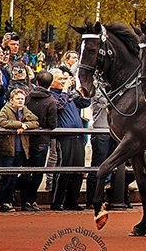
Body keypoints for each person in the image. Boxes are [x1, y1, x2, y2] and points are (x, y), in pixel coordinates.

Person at [49, 68, 89, 211]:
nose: (64, 82)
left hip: (78, 136)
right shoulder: (51, 95)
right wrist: (65, 90)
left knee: (78, 171)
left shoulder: (68, 94)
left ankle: (72, 201)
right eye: (60, 79)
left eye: (65, 79)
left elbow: (85, 104)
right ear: (52, 81)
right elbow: (59, 106)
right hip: (64, 137)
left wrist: (85, 93)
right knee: (63, 171)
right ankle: (56, 202)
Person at [0, 89, 38, 211]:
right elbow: (1, 121)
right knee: (6, 176)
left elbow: (36, 121)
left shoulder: (25, 110)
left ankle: (8, 201)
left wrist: (26, 126)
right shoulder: (6, 109)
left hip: (21, 149)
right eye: (18, 99)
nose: (20, 101)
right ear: (12, 100)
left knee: (13, 177)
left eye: (22, 99)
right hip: (8, 148)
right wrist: (19, 124)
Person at [20, 70, 57, 211]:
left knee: (26, 169)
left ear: (36, 82)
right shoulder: (50, 101)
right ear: (50, 84)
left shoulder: (28, 98)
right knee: (38, 170)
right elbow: (52, 124)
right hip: (42, 139)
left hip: (27, 136)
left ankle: (24, 199)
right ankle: (31, 199)